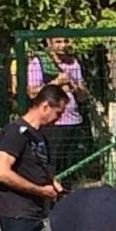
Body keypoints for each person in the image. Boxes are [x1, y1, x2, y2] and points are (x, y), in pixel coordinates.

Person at [0, 86, 67, 231]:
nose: (59, 119)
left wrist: (55, 186)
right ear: (45, 106)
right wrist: (40, 190)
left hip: (38, 213)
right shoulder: (14, 132)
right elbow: (2, 172)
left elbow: (41, 169)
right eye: (58, 113)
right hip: (18, 214)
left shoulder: (39, 136)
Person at [25, 38, 88, 178]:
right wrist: (56, 83)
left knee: (70, 168)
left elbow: (83, 96)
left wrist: (76, 87)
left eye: (66, 41)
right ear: (49, 42)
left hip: (73, 121)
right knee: (52, 165)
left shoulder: (73, 63)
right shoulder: (39, 63)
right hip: (52, 124)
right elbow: (32, 93)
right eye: (58, 42)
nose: (63, 45)